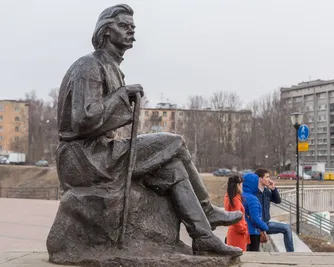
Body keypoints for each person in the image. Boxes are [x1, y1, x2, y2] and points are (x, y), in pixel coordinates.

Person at [55, 4, 242, 256]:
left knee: (173, 168)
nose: (131, 30)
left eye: (133, 27)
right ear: (106, 31)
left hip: (99, 154)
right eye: (123, 26)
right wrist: (123, 95)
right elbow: (82, 120)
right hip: (84, 158)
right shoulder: (88, 66)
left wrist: (121, 96)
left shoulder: (111, 67)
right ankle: (207, 211)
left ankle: (203, 237)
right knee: (173, 141)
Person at [255, 169, 294, 252]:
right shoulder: (253, 193)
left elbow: (278, 201)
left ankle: (291, 254)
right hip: (256, 226)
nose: (269, 179)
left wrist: (273, 189)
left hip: (266, 224)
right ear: (260, 179)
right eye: (267, 177)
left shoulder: (266, 192)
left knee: (287, 228)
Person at [242, 173, 269, 252]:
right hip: (252, 233)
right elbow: (255, 218)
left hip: (242, 230)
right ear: (253, 184)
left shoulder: (240, 196)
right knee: (253, 256)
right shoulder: (252, 199)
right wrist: (265, 227)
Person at [224, 175, 250, 251]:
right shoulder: (235, 199)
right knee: (240, 256)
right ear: (238, 185)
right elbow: (236, 219)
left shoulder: (229, 197)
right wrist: (244, 229)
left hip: (232, 231)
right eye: (241, 184)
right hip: (237, 234)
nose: (242, 187)